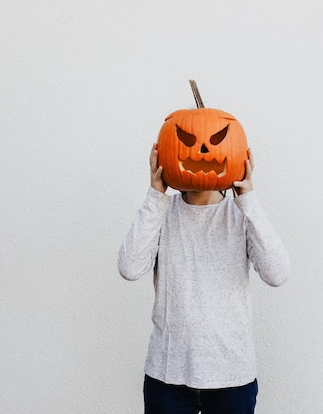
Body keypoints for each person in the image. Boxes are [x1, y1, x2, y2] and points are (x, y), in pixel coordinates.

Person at [118, 143, 290, 414]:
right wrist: (155, 195)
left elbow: (277, 273)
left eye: (215, 141)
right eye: (186, 143)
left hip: (232, 376)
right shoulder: (161, 212)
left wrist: (249, 199)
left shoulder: (242, 215)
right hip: (167, 376)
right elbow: (129, 268)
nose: (200, 152)